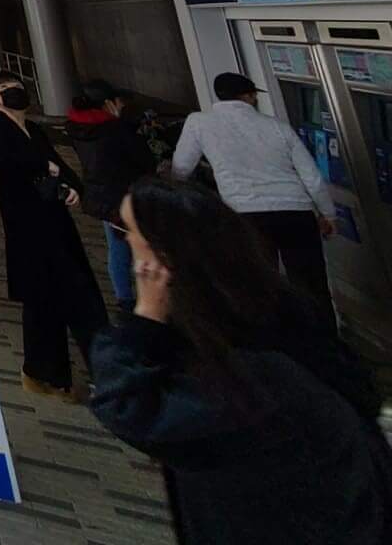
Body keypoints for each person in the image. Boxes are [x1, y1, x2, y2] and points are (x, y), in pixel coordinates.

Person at [89, 177, 392, 543]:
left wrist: (145, 316)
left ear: (161, 259)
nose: (122, 243)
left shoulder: (251, 373)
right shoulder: (265, 314)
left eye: (125, 231)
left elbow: (126, 407)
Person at [171, 71, 336, 324]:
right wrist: (327, 214)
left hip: (245, 217)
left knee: (257, 286)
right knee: (311, 285)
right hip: (295, 213)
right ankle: (325, 340)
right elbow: (312, 177)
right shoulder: (278, 127)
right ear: (249, 96)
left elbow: (181, 169)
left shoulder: (199, 122)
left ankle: (274, 340)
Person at [0, 70, 108, 398]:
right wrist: (45, 167)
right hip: (26, 228)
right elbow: (8, 166)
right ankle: (51, 375)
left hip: (55, 222)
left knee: (66, 298)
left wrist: (71, 185)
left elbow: (58, 165)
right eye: (5, 89)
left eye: (16, 86)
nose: (13, 91)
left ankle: (82, 373)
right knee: (48, 301)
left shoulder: (34, 129)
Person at [67, 78, 158, 317]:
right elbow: (145, 161)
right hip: (128, 195)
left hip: (102, 197)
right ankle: (149, 299)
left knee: (117, 248)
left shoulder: (77, 128)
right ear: (108, 103)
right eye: (118, 102)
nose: (122, 105)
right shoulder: (115, 130)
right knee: (146, 247)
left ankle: (124, 298)